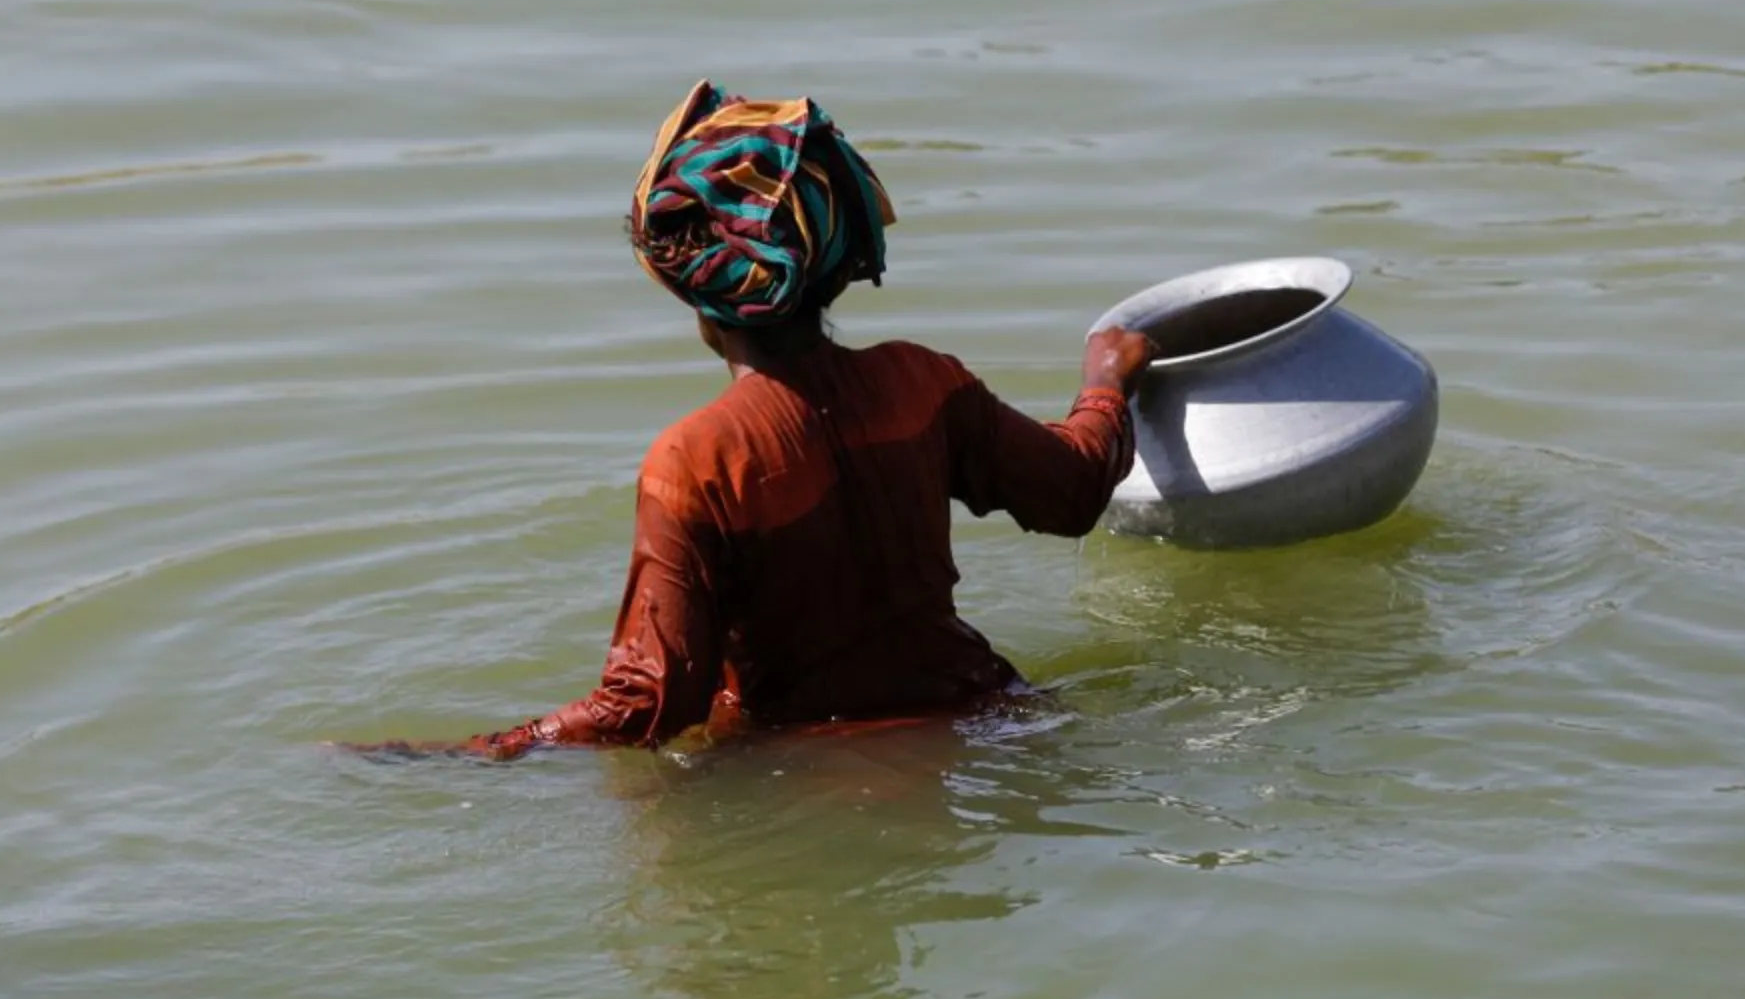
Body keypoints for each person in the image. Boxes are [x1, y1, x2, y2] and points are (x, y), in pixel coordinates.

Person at [355, 80, 1155, 760]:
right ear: (838, 261)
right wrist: (1105, 383)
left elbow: (649, 703)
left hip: (807, 774)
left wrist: (481, 752)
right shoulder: (922, 382)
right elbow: (1075, 489)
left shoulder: (697, 463)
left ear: (692, 298)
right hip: (994, 719)